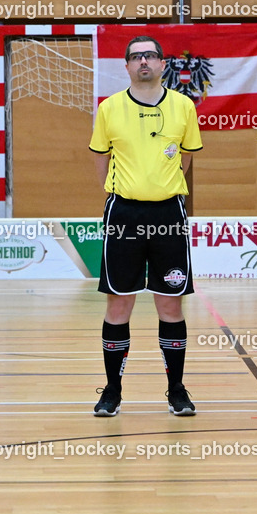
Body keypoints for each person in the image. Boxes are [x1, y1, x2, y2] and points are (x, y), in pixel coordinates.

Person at [89, 35, 203, 417]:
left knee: (170, 305)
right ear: (126, 66)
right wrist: (125, 192)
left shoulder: (184, 106)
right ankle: (112, 391)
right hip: (124, 215)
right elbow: (101, 160)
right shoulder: (110, 109)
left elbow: (185, 158)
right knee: (119, 304)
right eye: (136, 57)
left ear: (161, 63)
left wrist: (160, 187)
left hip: (169, 213)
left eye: (150, 56)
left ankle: (176, 390)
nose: (143, 62)